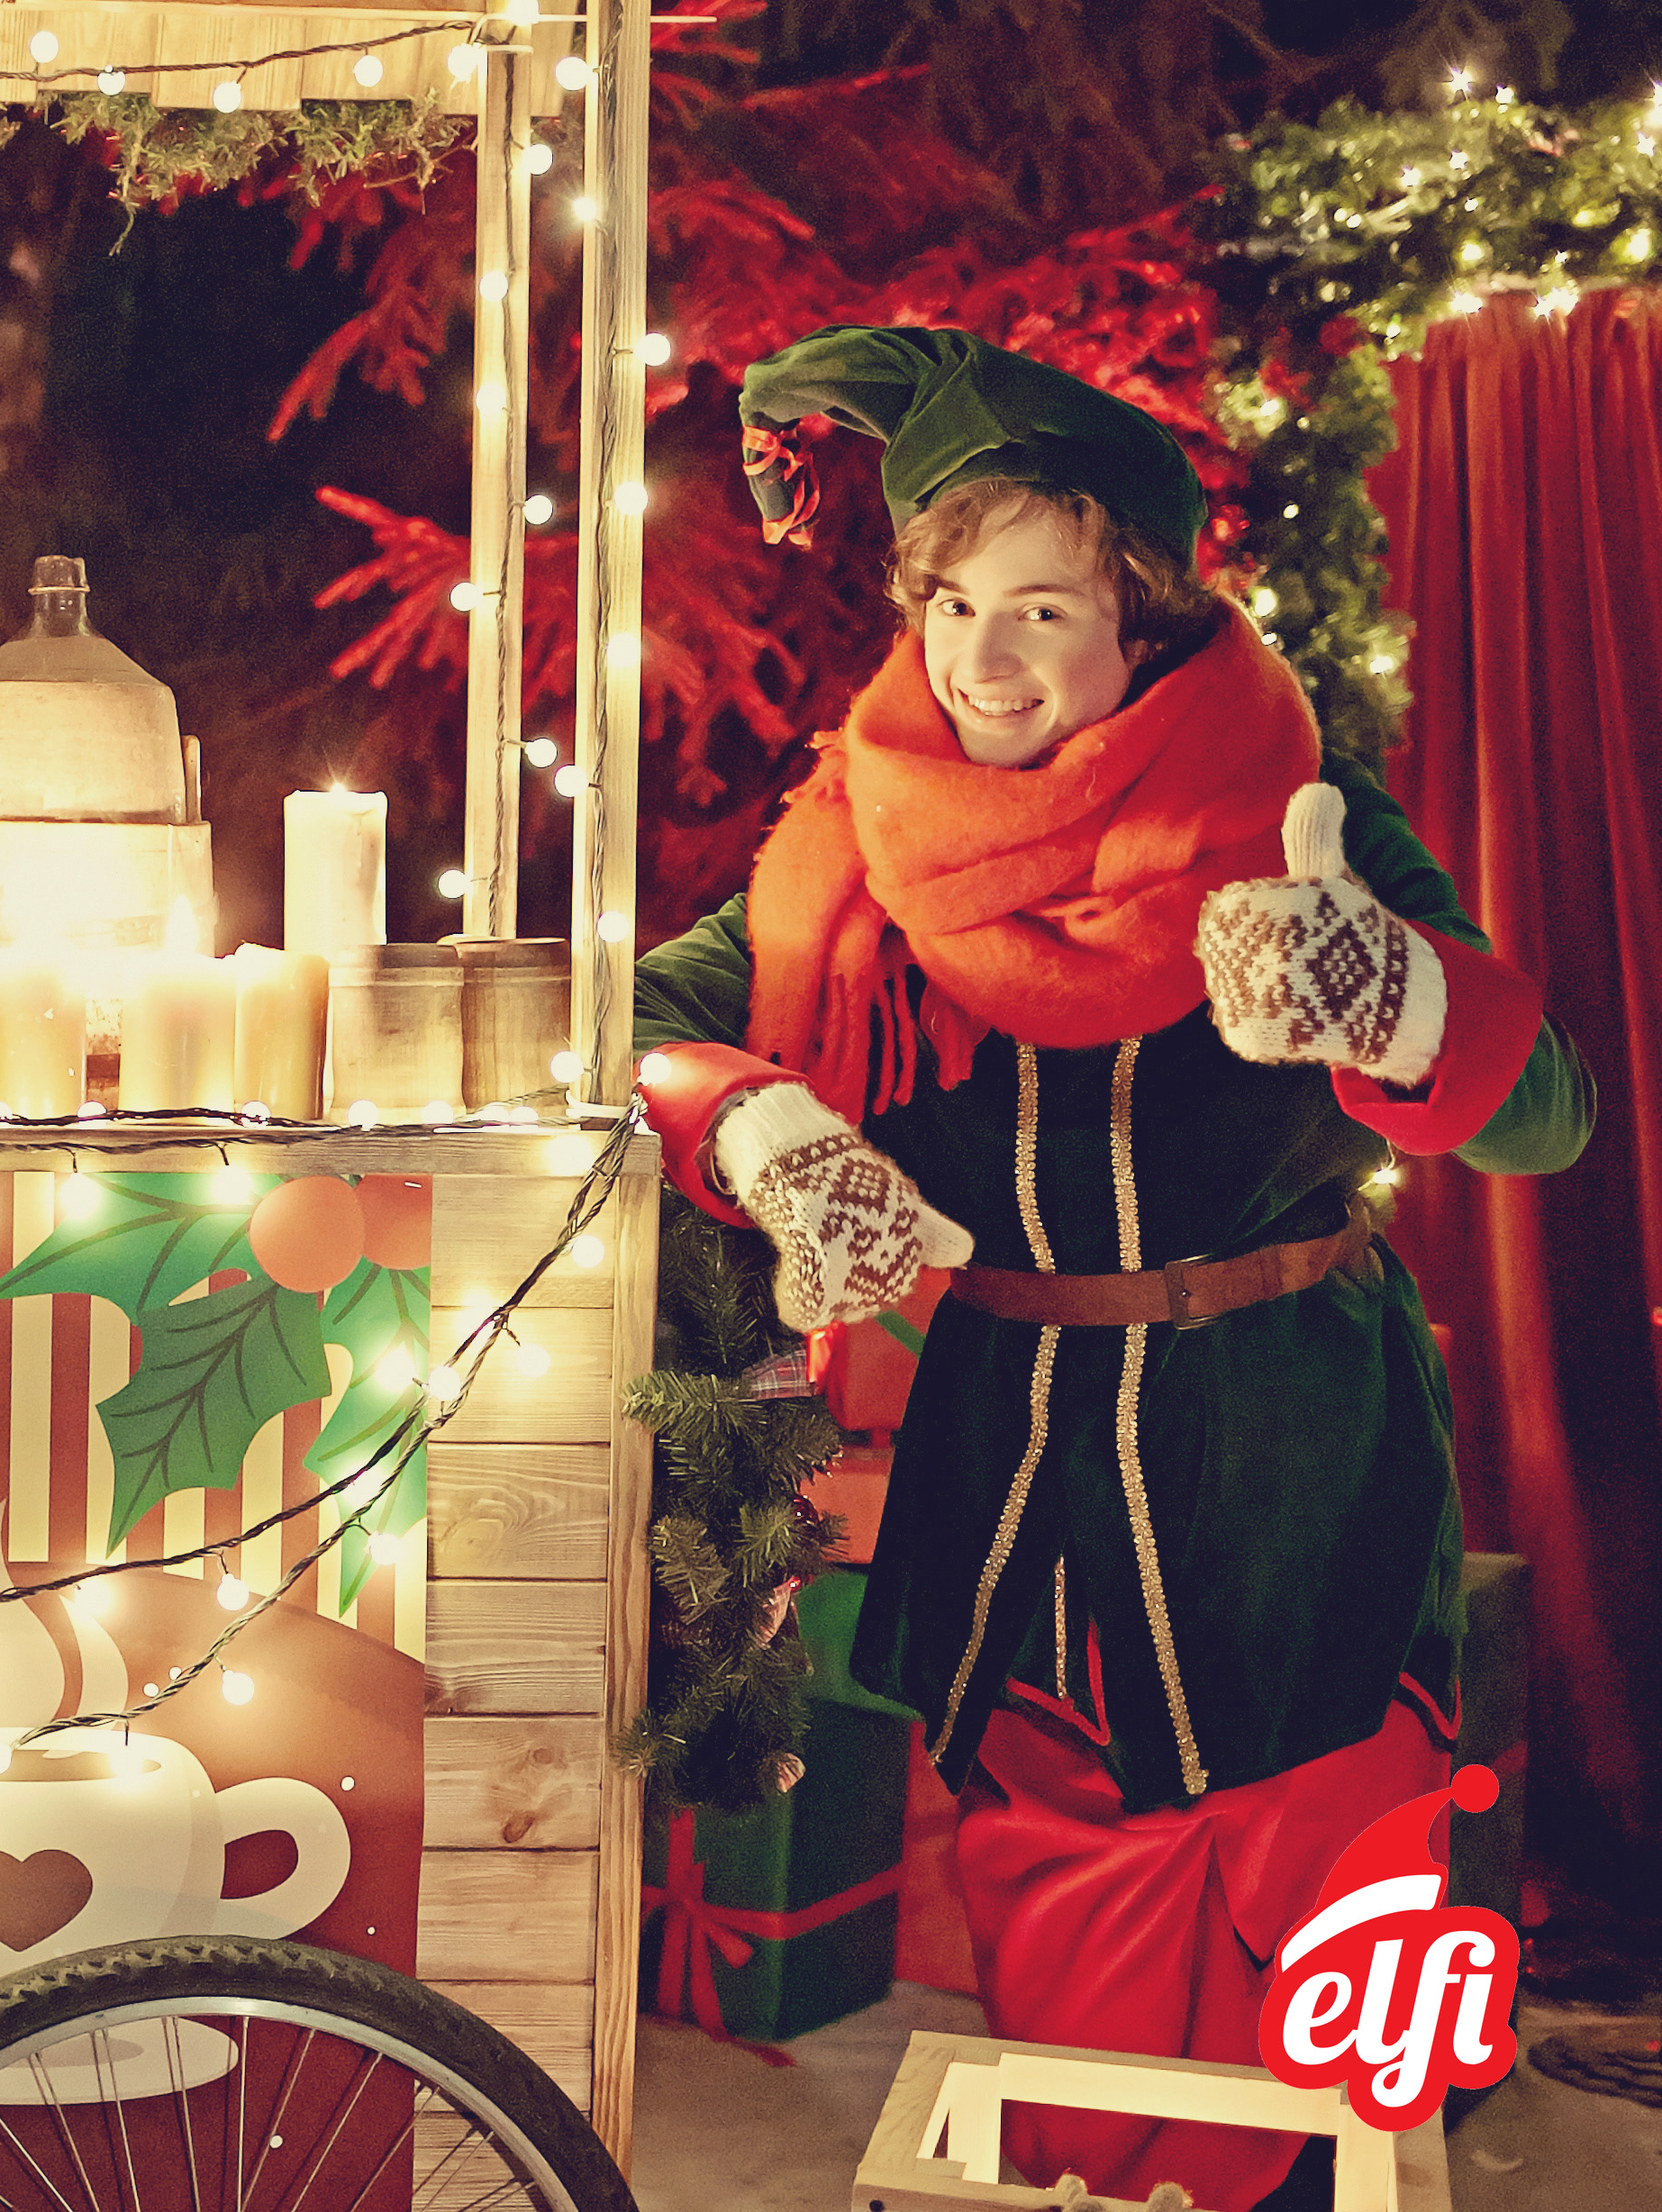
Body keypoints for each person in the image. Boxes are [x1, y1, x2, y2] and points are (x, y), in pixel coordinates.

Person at [631, 328, 1591, 2209]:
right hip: (1023, 1484)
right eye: (954, 604)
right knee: (1067, 1961)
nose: (981, 660)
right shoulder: (857, 849)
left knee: (1326, 1964)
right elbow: (641, 1029)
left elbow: (1545, 1110)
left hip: (1299, 1471)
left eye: (1043, 610)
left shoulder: (1303, 815)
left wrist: (1385, 994)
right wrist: (758, 1122)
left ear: (1142, 617)